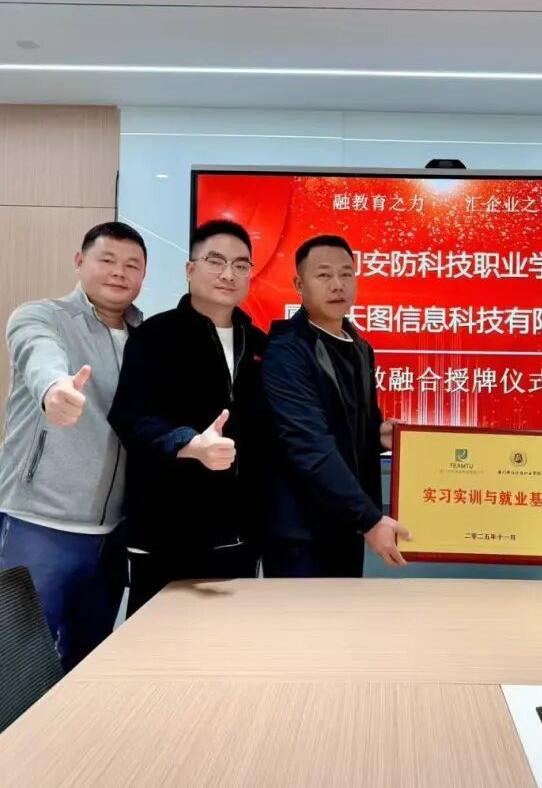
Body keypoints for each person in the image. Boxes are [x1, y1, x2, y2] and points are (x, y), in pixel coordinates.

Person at [0, 221, 146, 669]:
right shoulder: (42, 317)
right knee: (17, 666)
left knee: (87, 660)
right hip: (39, 524)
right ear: (80, 262)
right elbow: (39, 354)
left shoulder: (145, 336)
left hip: (112, 534)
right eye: (107, 260)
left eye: (132, 265)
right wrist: (54, 389)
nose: (119, 272)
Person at [108, 220, 266, 615]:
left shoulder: (260, 343)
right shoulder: (154, 336)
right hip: (166, 532)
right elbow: (130, 417)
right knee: (155, 643)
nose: (228, 274)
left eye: (241, 265)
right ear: (190, 269)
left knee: (229, 643)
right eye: (215, 261)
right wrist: (189, 444)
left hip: (239, 535)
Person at [261, 234, 409, 576]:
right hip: (301, 532)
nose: (337, 284)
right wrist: (369, 518)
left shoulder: (359, 347)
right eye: (324, 275)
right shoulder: (287, 351)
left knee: (345, 611)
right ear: (299, 285)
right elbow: (308, 444)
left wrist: (378, 435)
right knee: (303, 613)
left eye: (346, 273)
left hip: (346, 523)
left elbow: (352, 425)